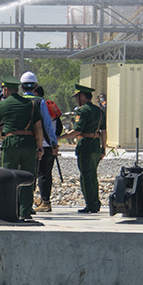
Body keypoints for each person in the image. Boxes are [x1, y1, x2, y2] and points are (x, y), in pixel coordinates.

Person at [0, 74, 44, 220]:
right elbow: (39, 128)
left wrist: (4, 137)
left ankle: (10, 210)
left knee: (9, 178)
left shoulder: (1, 105)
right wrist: (40, 147)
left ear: (6, 90)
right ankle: (25, 212)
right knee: (27, 178)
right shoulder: (32, 104)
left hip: (10, 143)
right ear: (18, 89)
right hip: (29, 143)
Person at [59, 84, 106, 213]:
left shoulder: (82, 110)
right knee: (93, 175)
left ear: (83, 96)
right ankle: (95, 203)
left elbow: (77, 130)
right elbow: (104, 131)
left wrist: (60, 138)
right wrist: (103, 148)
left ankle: (90, 204)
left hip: (85, 145)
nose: (76, 100)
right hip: (96, 146)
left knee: (86, 176)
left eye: (77, 97)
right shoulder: (99, 111)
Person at [20, 72, 58, 213]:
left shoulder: (19, 101)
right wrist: (54, 143)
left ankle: (25, 203)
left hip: (27, 144)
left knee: (28, 174)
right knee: (44, 174)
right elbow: (47, 125)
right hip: (45, 145)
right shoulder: (40, 102)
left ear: (21, 87)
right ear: (35, 86)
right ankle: (45, 201)